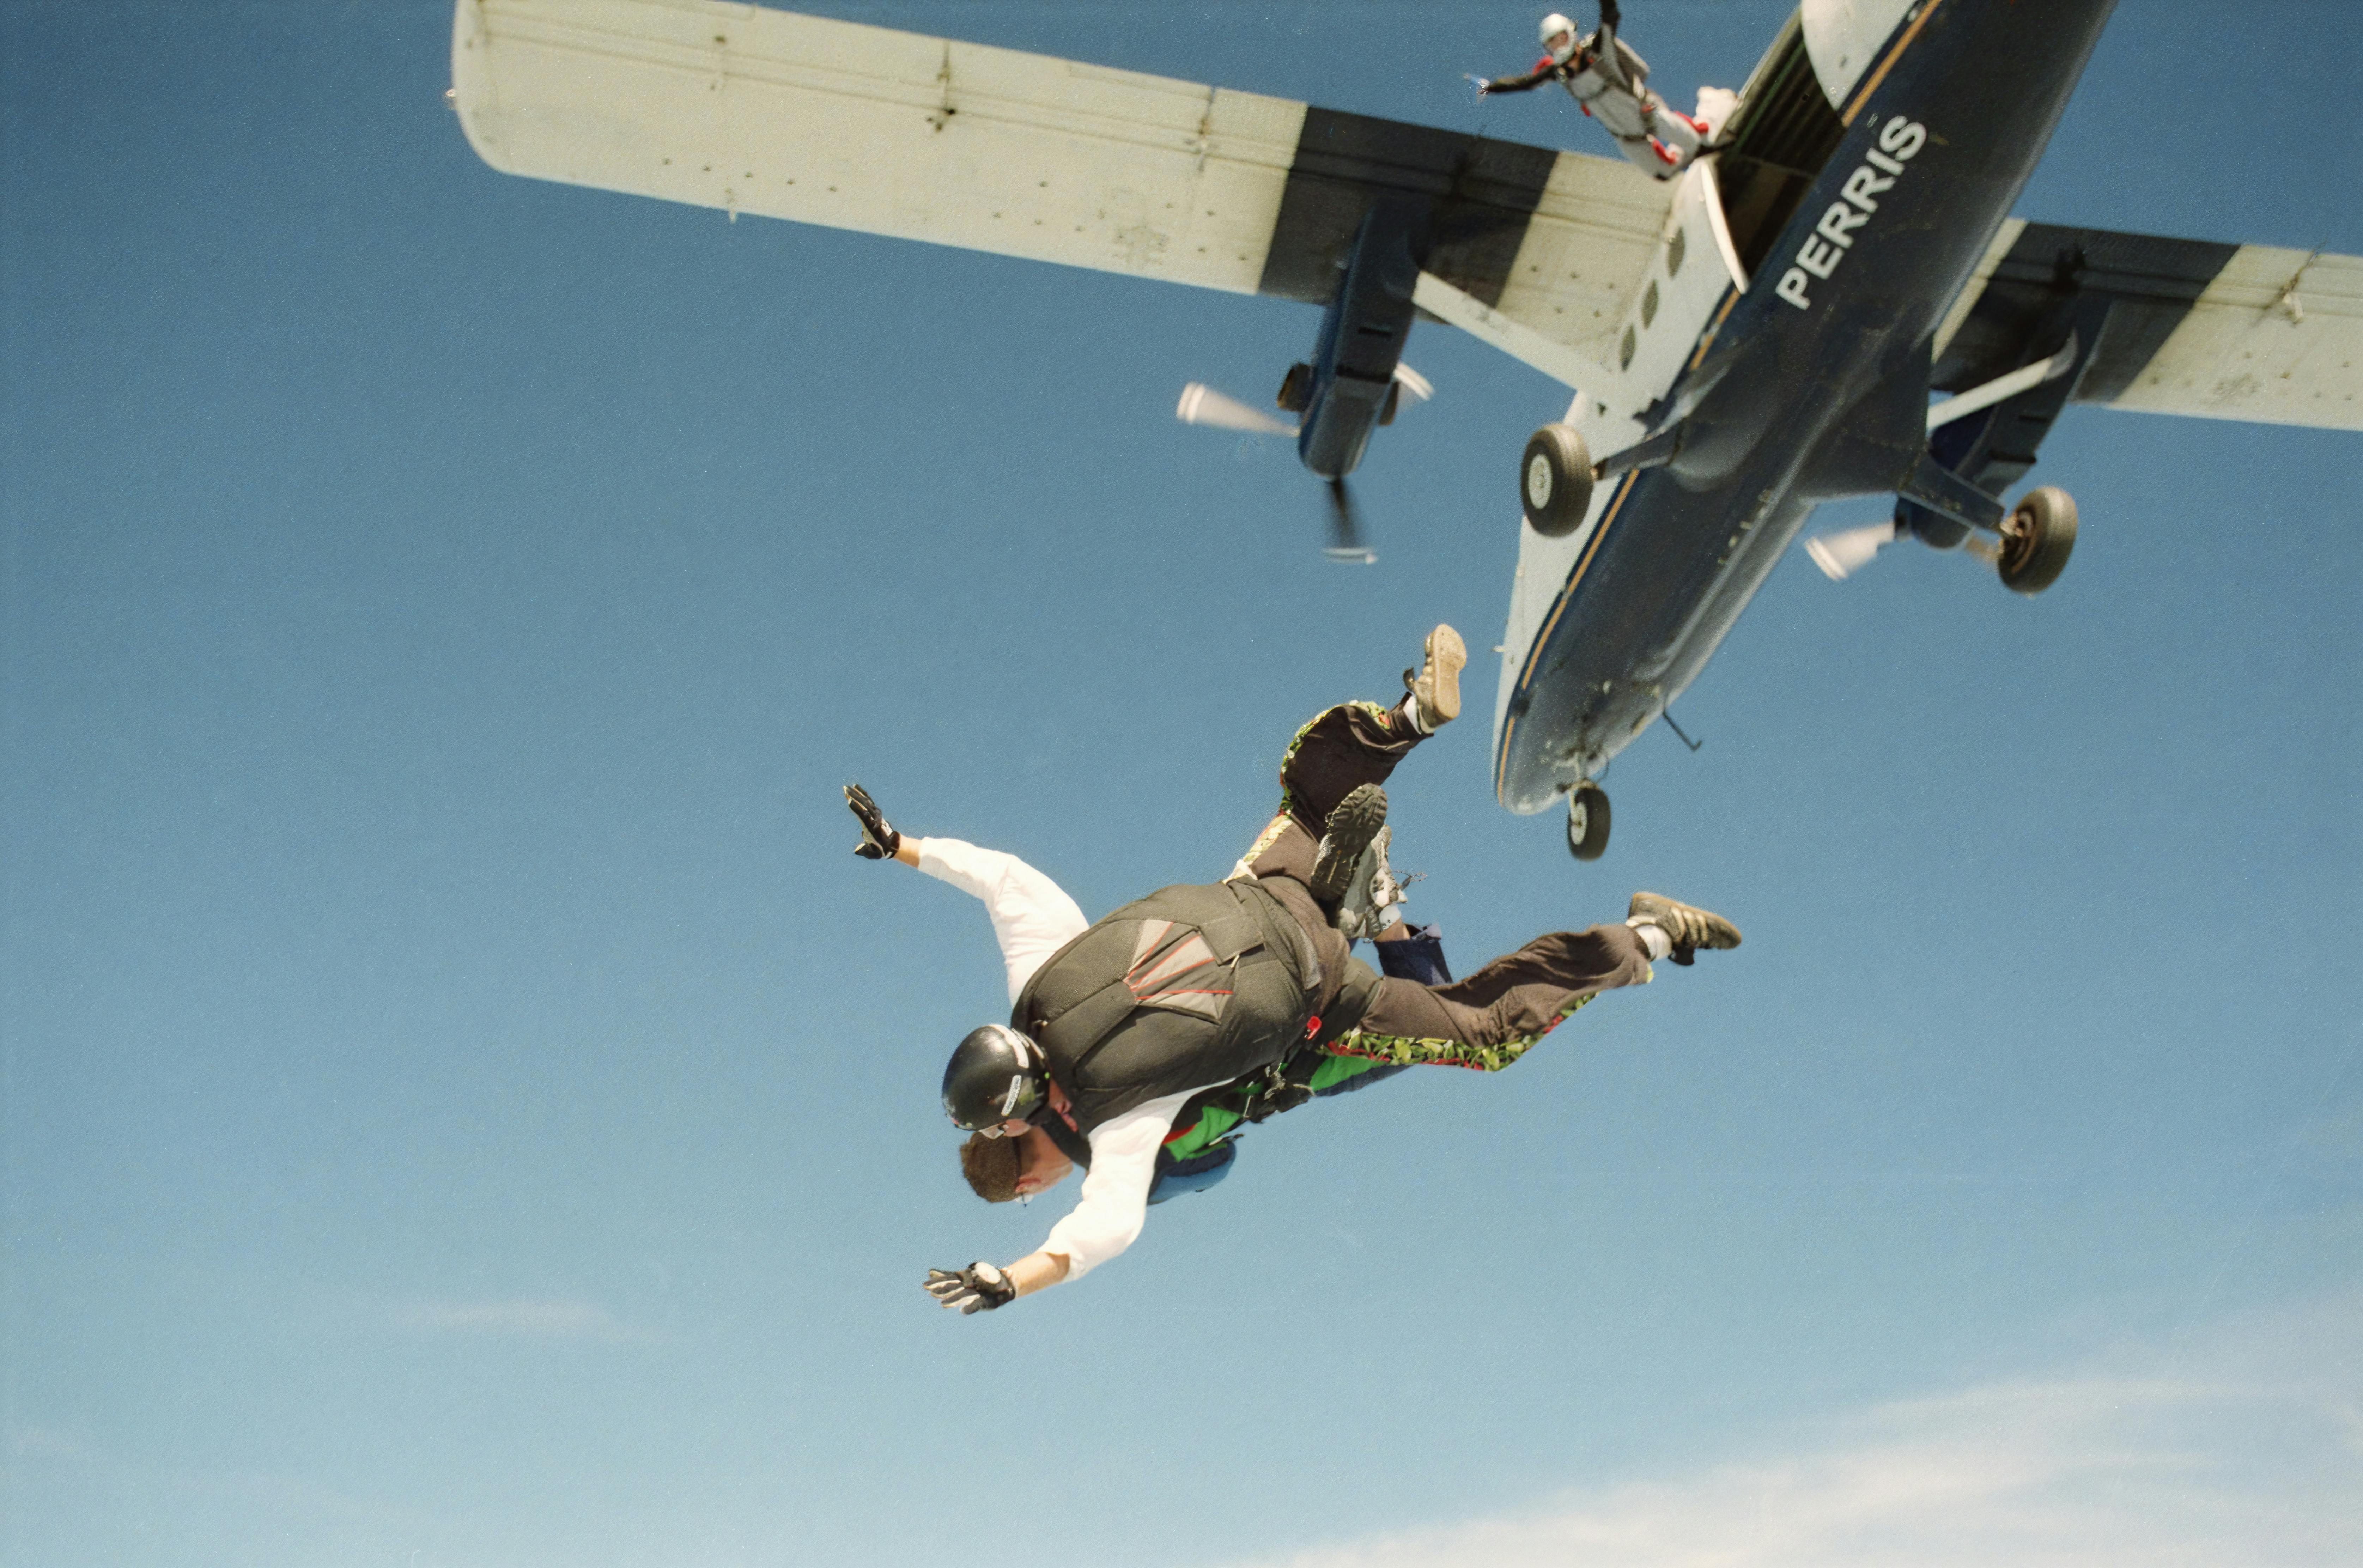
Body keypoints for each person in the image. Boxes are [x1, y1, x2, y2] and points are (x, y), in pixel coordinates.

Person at [844, 625, 1742, 1315]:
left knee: (1475, 1031)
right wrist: (903, 847)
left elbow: (1109, 1227)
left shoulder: (1122, 1131)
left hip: (1317, 1007)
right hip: (1259, 885)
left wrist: (1013, 1279)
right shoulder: (1038, 980)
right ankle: (1406, 725)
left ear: (1021, 1150)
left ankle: (1641, 939)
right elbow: (1008, 883)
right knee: (1305, 791)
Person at [1477, 3, 1727, 181]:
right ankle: (1679, 151)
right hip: (1626, 135)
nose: (1559, 46)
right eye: (1552, 43)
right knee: (1664, 174)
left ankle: (1704, 121)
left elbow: (1610, 16)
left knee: (1698, 145)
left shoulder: (1598, 49)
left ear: (1571, 34)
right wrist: (1491, 87)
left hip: (1647, 113)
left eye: (1562, 38)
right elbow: (1525, 83)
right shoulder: (1558, 73)